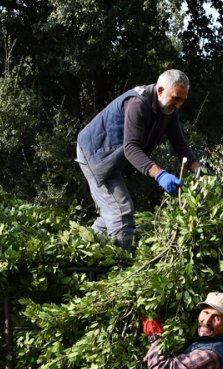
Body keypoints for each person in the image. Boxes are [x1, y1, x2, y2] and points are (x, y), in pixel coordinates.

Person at [76, 69, 202, 252]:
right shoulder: (138, 103)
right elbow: (131, 148)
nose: (178, 105)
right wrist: (160, 175)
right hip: (95, 154)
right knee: (122, 211)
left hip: (113, 157)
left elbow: (180, 145)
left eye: (182, 100)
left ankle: (80, 252)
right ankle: (119, 270)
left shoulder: (169, 111)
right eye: (176, 98)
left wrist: (198, 169)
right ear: (160, 90)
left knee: (111, 213)